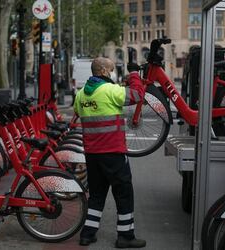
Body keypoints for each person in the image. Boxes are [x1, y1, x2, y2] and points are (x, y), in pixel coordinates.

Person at [74, 57, 146, 248]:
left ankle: (87, 235)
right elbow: (138, 95)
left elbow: (76, 112)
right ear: (104, 71)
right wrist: (133, 76)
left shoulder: (81, 94)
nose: (113, 72)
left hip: (92, 154)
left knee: (97, 194)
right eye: (112, 69)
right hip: (113, 152)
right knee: (123, 192)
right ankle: (125, 236)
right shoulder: (110, 90)